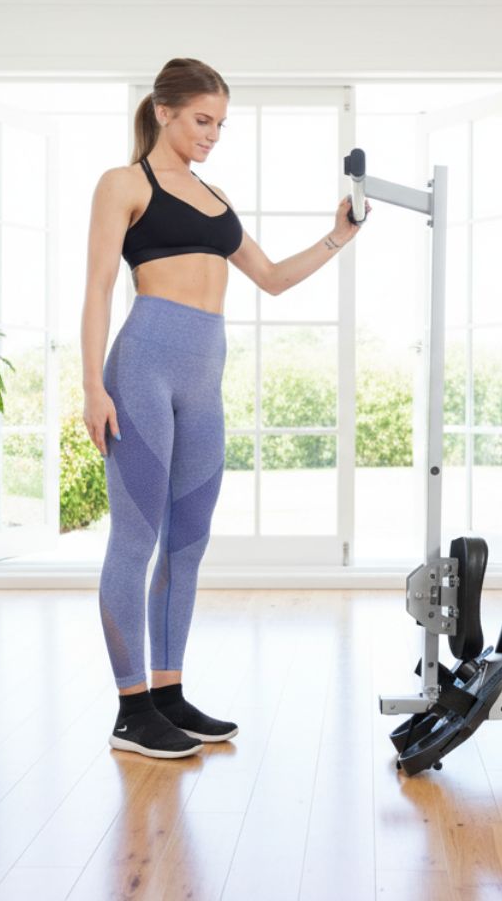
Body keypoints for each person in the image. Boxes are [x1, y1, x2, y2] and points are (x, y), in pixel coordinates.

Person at [80, 57, 371, 759]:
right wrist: (92, 386)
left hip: (204, 378)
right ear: (163, 111)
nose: (212, 134)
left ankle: (168, 693)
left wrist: (339, 236)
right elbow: (97, 288)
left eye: (220, 124)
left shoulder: (215, 197)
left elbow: (270, 278)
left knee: (188, 540)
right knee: (135, 538)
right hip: (142, 369)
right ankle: (131, 710)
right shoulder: (125, 184)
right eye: (202, 120)